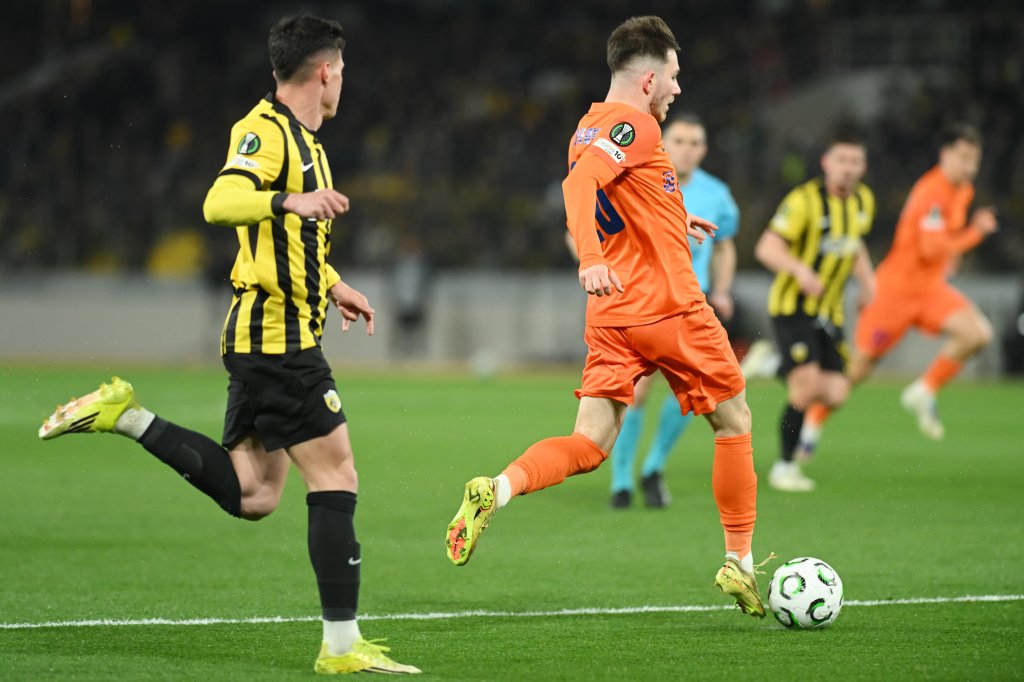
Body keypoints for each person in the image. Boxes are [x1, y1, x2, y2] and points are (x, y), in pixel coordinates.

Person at [37, 15, 419, 675]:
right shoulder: (265, 131)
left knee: (255, 494)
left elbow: (288, 242)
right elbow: (220, 202)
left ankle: (126, 415)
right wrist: (287, 202)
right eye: (342, 70)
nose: (343, 81)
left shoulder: (307, 142)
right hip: (276, 337)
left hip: (269, 330)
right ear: (325, 71)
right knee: (337, 474)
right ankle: (341, 646)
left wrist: (333, 283)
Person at [444, 15, 767, 618]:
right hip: (666, 305)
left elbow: (617, 190)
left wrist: (673, 216)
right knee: (734, 420)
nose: (677, 87)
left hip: (612, 314)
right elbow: (580, 189)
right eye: (673, 76)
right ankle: (740, 562)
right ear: (647, 79)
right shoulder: (636, 123)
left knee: (590, 442)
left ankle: (498, 488)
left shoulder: (587, 126)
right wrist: (590, 259)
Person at [799, 124, 997, 449]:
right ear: (945, 155)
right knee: (860, 367)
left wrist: (952, 256)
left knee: (977, 334)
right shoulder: (932, 192)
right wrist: (974, 234)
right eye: (963, 157)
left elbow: (941, 245)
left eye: (975, 159)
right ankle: (811, 423)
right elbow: (931, 248)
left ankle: (924, 390)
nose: (970, 166)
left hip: (930, 288)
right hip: (896, 291)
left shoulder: (963, 190)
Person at [608, 113, 740, 509]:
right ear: (663, 143)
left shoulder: (717, 194)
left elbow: (725, 244)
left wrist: (722, 289)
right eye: (679, 141)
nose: (687, 149)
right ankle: (621, 482)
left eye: (695, 143)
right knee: (636, 391)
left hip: (690, 301)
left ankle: (653, 466)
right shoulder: (638, 178)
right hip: (641, 299)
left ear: (704, 149)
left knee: (691, 391)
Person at [754, 132, 876, 492]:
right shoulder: (804, 201)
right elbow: (766, 248)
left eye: (855, 161)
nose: (848, 168)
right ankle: (784, 467)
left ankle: (771, 364)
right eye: (842, 160)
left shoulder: (864, 201)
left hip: (830, 312)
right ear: (826, 163)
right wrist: (800, 271)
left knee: (836, 392)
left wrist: (869, 282)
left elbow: (855, 243)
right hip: (792, 306)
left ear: (863, 166)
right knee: (805, 387)